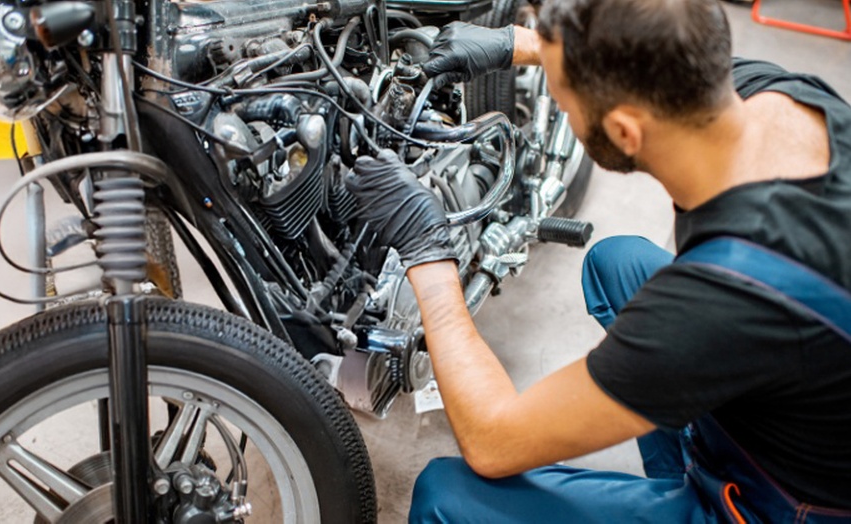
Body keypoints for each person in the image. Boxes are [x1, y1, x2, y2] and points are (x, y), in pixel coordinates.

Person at [345, 0, 851, 521]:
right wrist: (517, 45)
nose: (564, 111)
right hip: (802, 400)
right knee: (618, 264)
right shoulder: (777, 97)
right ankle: (677, 476)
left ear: (626, 131)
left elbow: (492, 440)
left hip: (783, 505)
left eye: (567, 104)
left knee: (444, 497)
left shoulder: (718, 300)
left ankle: (696, 501)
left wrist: (428, 252)